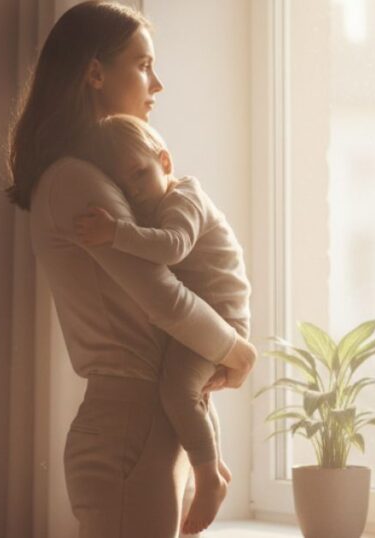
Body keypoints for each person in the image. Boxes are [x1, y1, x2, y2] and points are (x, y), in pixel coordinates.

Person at [5, 2, 258, 537]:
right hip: (131, 426)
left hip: (141, 425)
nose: (157, 83)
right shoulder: (76, 181)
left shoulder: (87, 175)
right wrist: (238, 352)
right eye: (143, 64)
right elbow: (163, 297)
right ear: (96, 72)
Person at [72, 114, 251, 535]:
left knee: (177, 390)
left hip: (220, 316)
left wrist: (114, 231)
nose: (134, 190)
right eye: (123, 185)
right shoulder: (159, 203)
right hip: (206, 314)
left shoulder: (184, 199)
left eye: (140, 174)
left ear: (165, 162)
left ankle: (208, 477)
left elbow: (172, 248)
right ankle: (216, 468)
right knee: (194, 391)